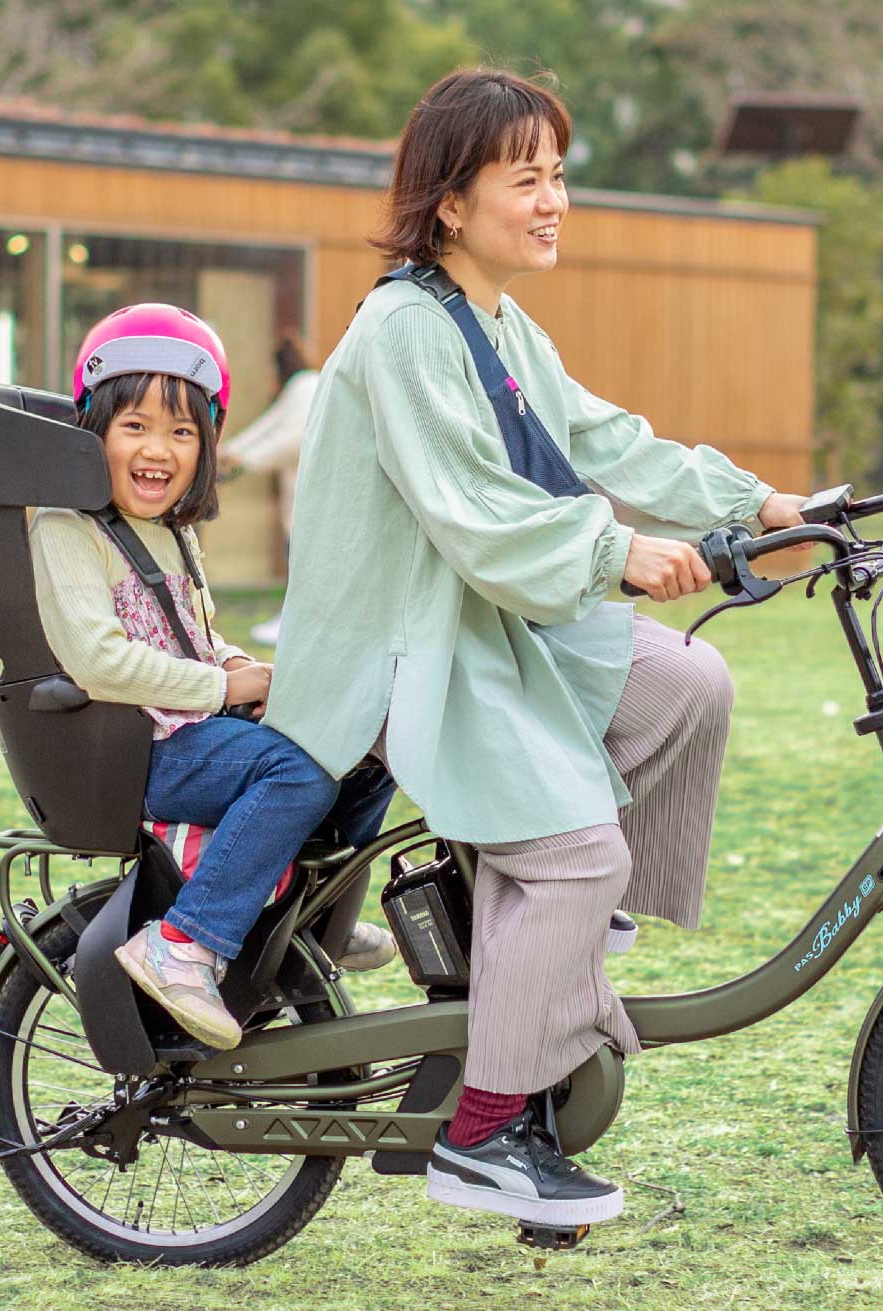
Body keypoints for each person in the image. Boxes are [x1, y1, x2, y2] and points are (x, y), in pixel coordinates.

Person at [263, 69, 805, 1229]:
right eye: (528, 178)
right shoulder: (407, 327)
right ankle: (486, 1131)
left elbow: (607, 439)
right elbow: (472, 514)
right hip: (408, 654)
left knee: (688, 684)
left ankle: (552, 967)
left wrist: (760, 502)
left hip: (486, 623)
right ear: (451, 203)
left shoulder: (495, 320)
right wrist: (621, 554)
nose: (554, 199)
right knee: (575, 855)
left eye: (560, 174)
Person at [28, 303, 398, 1050]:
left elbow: (192, 637)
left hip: (192, 728)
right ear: (91, 429)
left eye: (181, 430)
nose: (156, 448)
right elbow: (99, 660)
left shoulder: (172, 532)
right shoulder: (65, 529)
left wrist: (232, 662)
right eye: (133, 426)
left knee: (369, 747)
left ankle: (312, 921)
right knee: (297, 775)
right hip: (140, 751)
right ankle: (185, 940)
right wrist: (225, 689)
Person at [219, 332, 321, 645]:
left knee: (305, 558)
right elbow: (269, 425)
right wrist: (232, 451)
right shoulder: (301, 387)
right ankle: (291, 622)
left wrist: (242, 458)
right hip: (303, 493)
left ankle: (295, 626)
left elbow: (291, 439)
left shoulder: (306, 388)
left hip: (314, 494)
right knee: (297, 553)